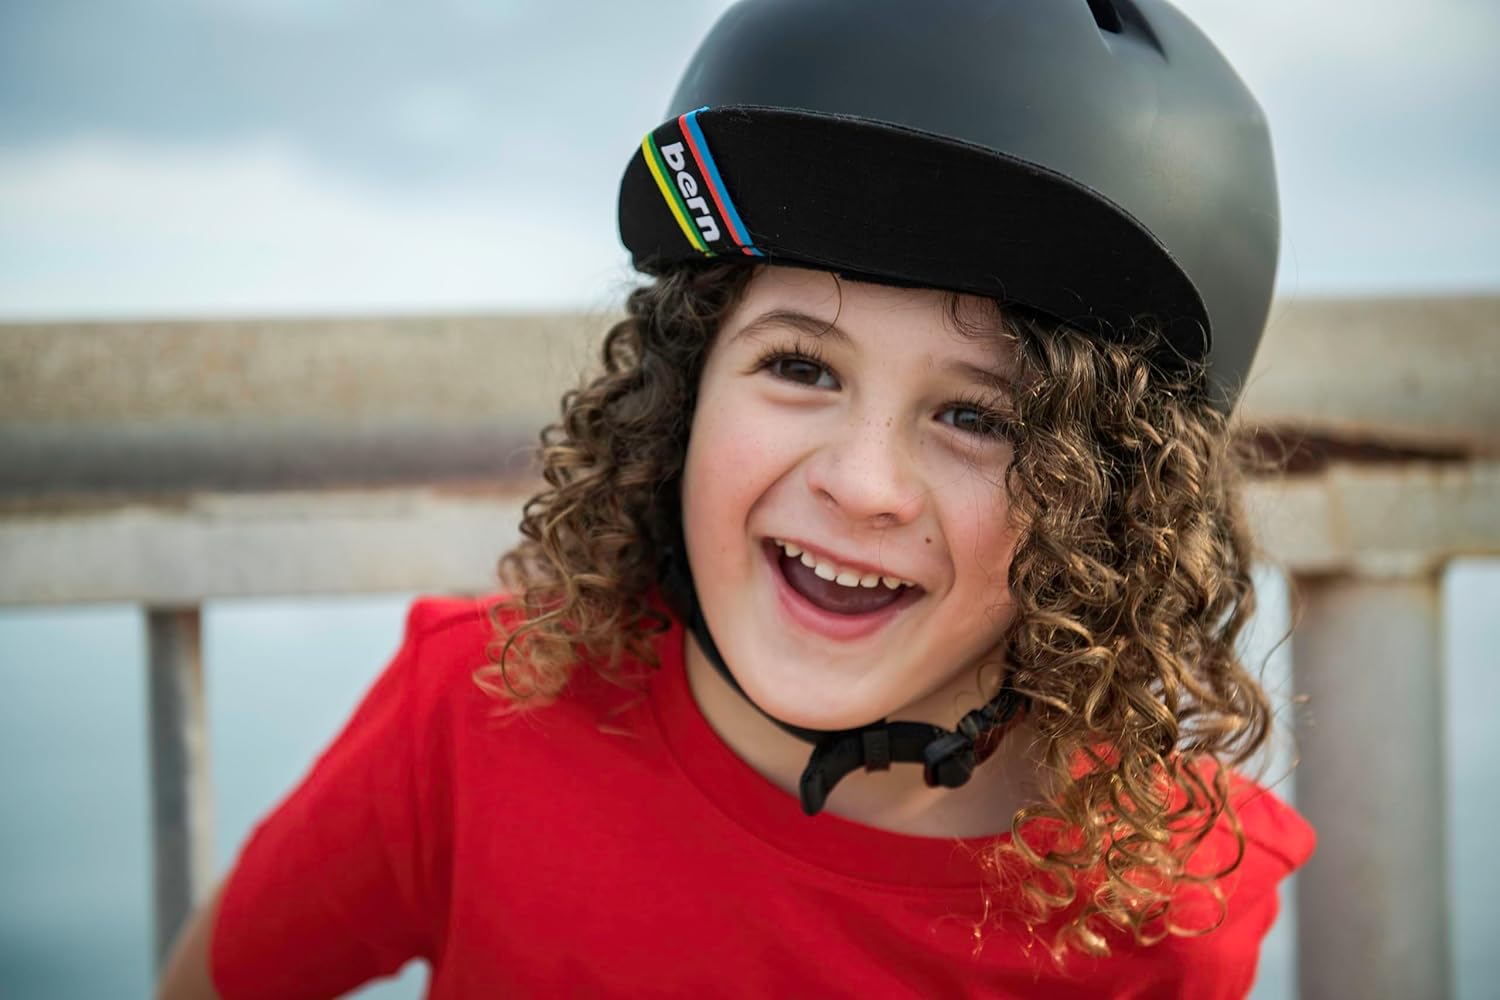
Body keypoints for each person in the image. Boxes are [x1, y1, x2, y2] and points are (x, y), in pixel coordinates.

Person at [159, 1, 1314, 997]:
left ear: (1114, 509)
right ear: (679, 395)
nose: (861, 484)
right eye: (800, 366)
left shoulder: (1161, 905)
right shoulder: (473, 721)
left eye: (980, 418)